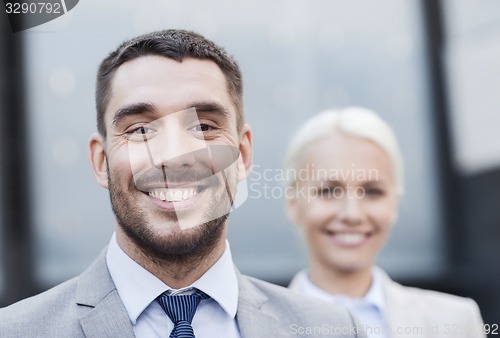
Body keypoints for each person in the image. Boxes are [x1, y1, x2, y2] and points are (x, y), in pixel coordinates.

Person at [0, 30, 366, 338]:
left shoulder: (332, 329)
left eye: (203, 127)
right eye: (141, 130)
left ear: (243, 154)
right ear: (101, 161)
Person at [284, 107, 486, 338]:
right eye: (329, 191)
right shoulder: (251, 328)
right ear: (293, 203)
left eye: (372, 192)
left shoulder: (456, 321)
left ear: (395, 202)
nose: (353, 214)